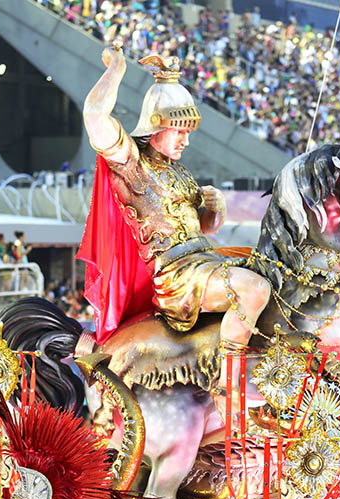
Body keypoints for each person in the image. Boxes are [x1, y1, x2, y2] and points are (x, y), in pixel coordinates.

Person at [79, 45, 270, 371]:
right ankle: (228, 375)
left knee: (273, 274)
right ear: (156, 126)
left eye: (187, 133)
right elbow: (95, 116)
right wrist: (116, 71)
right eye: (179, 132)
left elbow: (205, 229)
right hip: (179, 277)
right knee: (256, 289)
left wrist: (215, 210)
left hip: (206, 260)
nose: (185, 141)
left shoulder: (180, 172)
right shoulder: (132, 165)